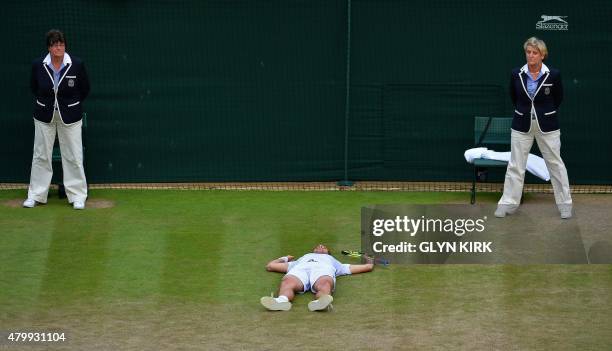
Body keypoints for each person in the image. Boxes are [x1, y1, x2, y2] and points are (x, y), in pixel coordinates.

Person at [495, 37, 572, 219]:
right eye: (528, 52)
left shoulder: (553, 74)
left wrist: (543, 113)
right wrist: (526, 112)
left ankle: (565, 205)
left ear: (542, 55)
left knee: (556, 165)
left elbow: (558, 98)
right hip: (521, 125)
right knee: (515, 166)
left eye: (535, 53)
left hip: (548, 125)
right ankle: (507, 204)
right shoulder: (517, 74)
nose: (531, 56)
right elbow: (514, 97)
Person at [23, 29, 90, 210]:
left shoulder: (76, 64)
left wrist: (69, 105)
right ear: (49, 47)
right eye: (55, 44)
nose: (58, 47)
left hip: (70, 116)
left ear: (65, 45)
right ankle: (36, 195)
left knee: (74, 156)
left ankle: (77, 196)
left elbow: (85, 89)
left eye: (61, 44)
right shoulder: (38, 65)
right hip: (44, 115)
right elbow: (34, 87)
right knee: (40, 155)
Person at [260, 244, 374, 312]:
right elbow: (270, 266)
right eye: (317, 246)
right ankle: (281, 301)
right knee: (288, 281)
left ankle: (321, 302)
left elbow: (367, 267)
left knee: (324, 283)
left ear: (328, 252)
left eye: (323, 247)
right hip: (300, 270)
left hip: (323, 271)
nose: (320, 246)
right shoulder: (302, 258)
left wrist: (368, 260)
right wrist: (285, 258)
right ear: (313, 251)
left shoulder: (333, 261)